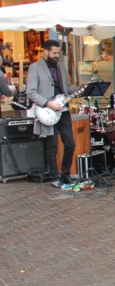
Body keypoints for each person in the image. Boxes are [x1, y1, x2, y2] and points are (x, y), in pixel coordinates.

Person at [27, 40, 80, 187]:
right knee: (52, 146)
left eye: (58, 53)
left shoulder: (61, 67)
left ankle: (65, 174)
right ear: (45, 51)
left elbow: (66, 88)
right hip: (47, 110)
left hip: (63, 110)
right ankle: (54, 177)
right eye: (54, 53)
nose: (57, 55)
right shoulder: (35, 67)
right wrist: (48, 103)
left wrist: (82, 89)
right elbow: (31, 92)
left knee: (70, 144)